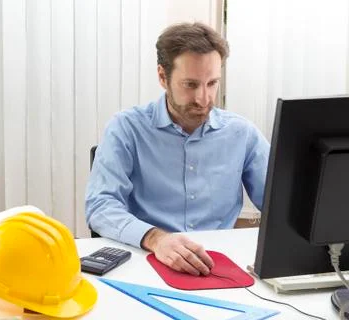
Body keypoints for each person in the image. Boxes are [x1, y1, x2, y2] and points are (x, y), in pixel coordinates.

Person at [85, 22, 269, 276]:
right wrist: (155, 238)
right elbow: (100, 206)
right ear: (163, 77)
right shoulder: (126, 128)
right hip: (145, 260)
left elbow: (279, 204)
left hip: (218, 265)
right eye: (191, 85)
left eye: (212, 83)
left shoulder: (242, 133)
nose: (204, 99)